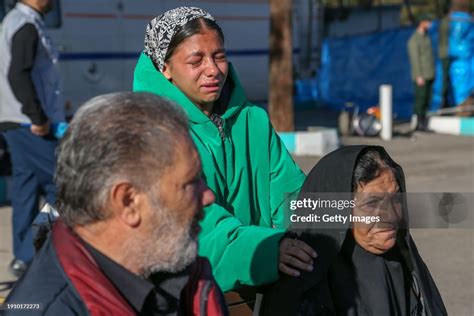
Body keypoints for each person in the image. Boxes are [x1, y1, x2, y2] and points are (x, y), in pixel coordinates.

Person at [133, 7, 313, 292]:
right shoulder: (153, 131)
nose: (213, 70)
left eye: (219, 56)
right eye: (196, 60)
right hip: (187, 291)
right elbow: (193, 224)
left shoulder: (253, 120)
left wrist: (336, 216)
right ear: (164, 68)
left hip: (259, 283)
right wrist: (265, 249)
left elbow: (290, 192)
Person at [4, 92, 228, 315]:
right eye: (190, 183)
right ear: (128, 202)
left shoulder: (184, 273)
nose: (208, 196)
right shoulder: (49, 308)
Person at [261, 146, 447, 316]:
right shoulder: (305, 284)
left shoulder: (403, 263)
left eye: (396, 198)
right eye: (372, 203)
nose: (391, 215)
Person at [0, 0, 64, 277]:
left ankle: (23, 261)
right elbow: (17, 74)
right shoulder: (26, 25)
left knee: (26, 192)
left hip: (16, 122)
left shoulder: (16, 21)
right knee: (63, 189)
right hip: (30, 124)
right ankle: (29, 255)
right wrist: (37, 117)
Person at [407, 16, 435, 132]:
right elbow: (415, 60)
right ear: (422, 22)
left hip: (429, 73)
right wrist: (419, 75)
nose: (430, 24)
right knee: (420, 99)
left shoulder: (426, 36)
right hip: (421, 75)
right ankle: (418, 124)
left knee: (427, 99)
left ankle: (423, 124)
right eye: (428, 22)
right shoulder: (414, 40)